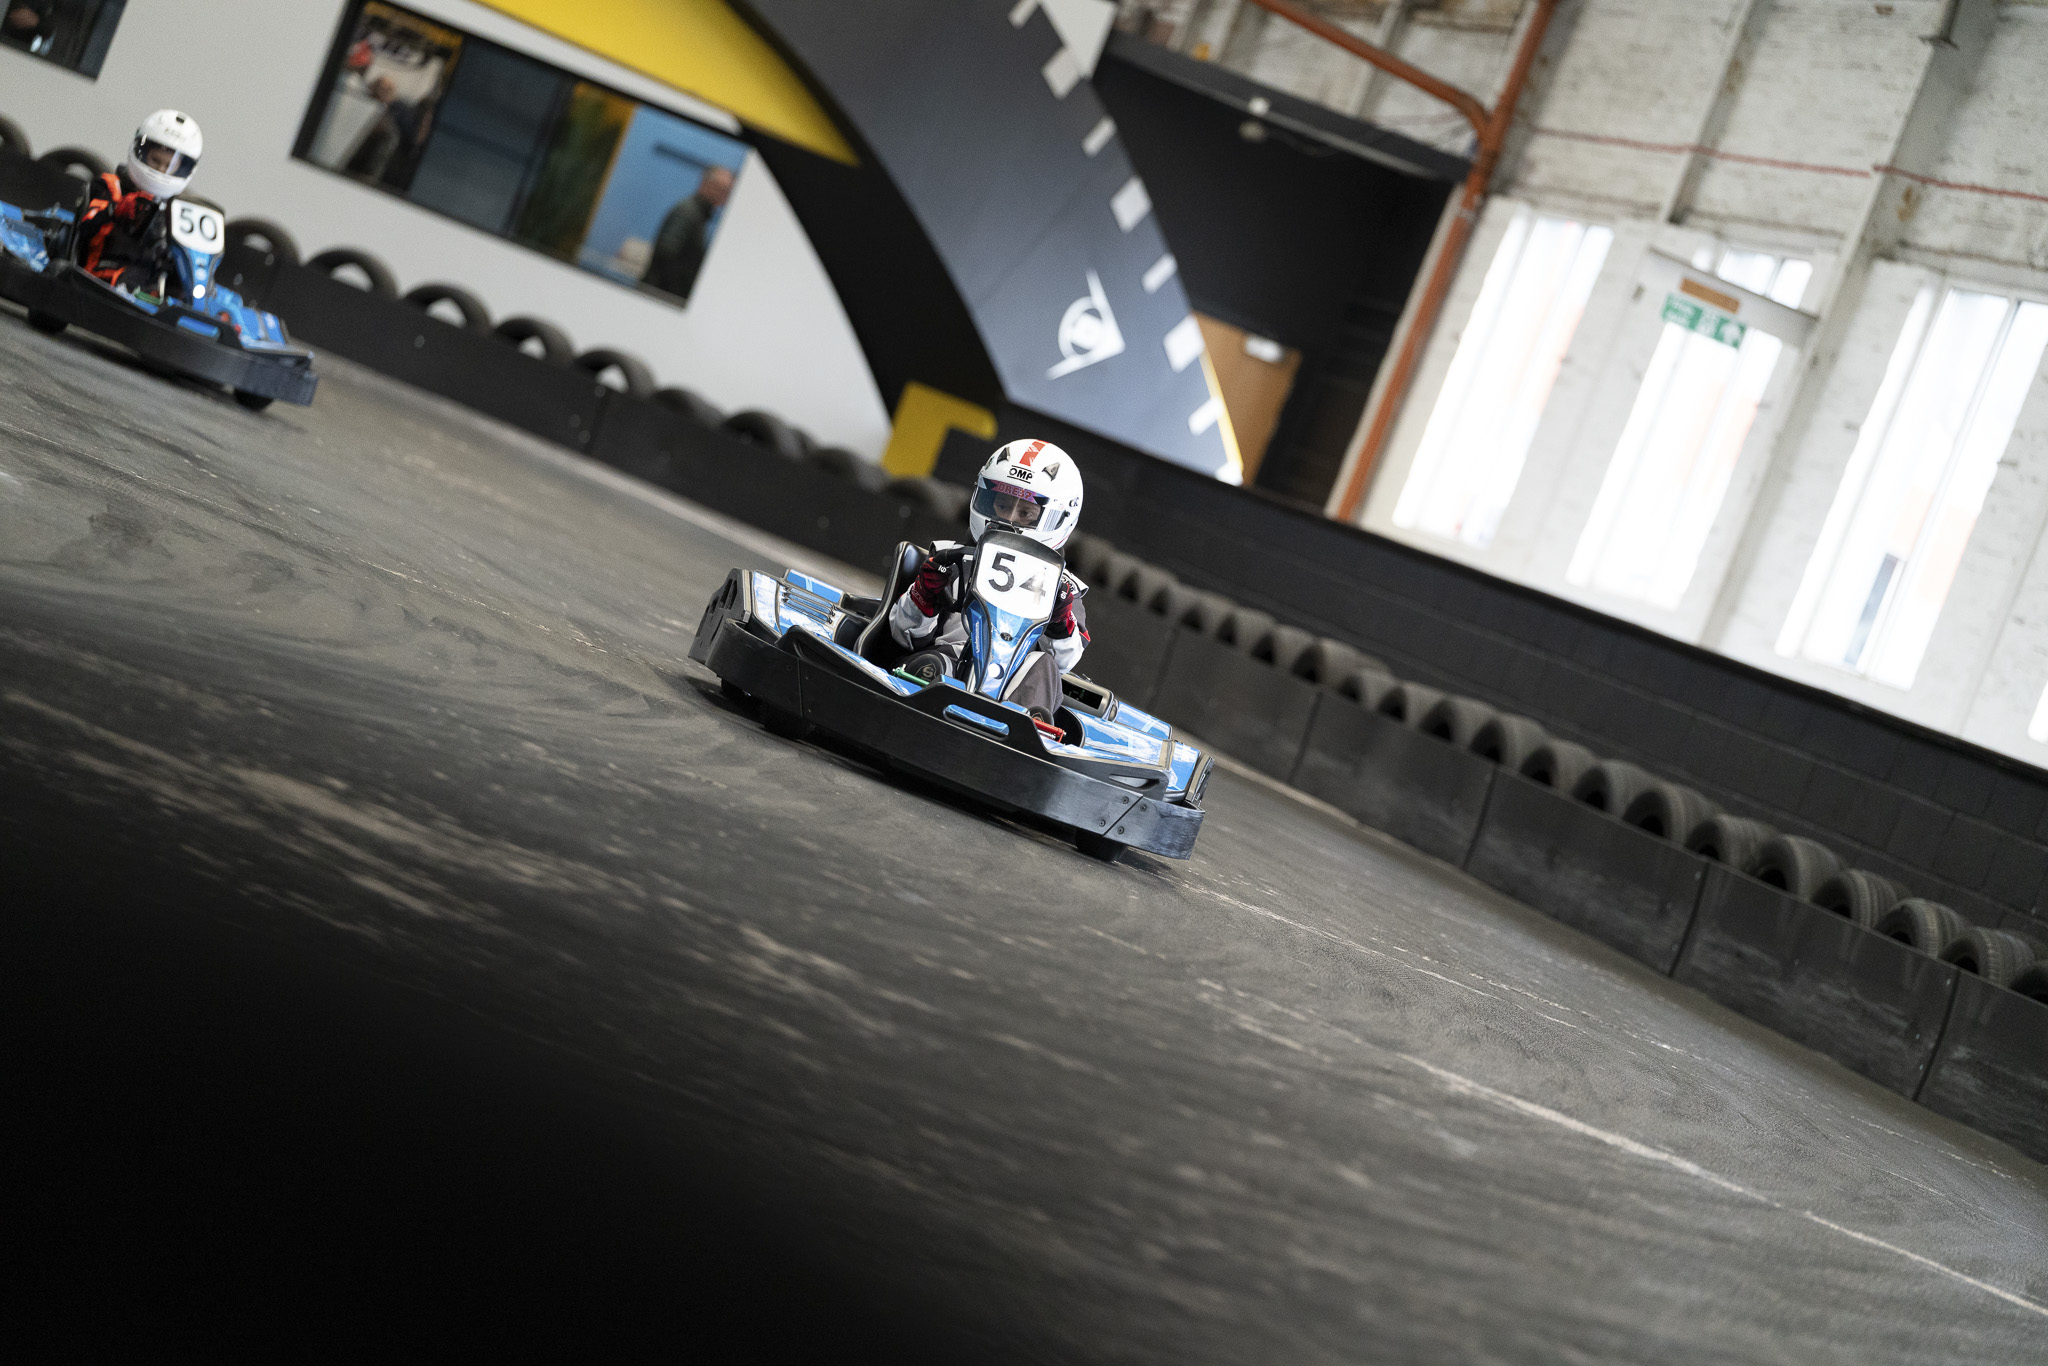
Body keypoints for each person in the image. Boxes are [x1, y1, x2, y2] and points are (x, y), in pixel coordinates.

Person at [886, 440, 1089, 723]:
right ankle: (929, 688)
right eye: (1001, 505)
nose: (1007, 519)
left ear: (1060, 519)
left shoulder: (1063, 589)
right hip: (948, 667)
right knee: (934, 662)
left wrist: (1059, 621)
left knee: (1043, 666)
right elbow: (903, 635)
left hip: (1013, 690)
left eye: (1026, 513)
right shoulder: (946, 558)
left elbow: (1064, 661)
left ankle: (1027, 723)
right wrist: (924, 596)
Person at [75, 109, 203, 293]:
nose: (160, 170)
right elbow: (87, 226)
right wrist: (118, 210)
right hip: (100, 273)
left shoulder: (180, 211)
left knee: (187, 291)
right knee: (130, 281)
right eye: (156, 160)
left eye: (169, 166)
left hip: (153, 283)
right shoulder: (110, 187)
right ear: (141, 151)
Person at [640, 164, 734, 301]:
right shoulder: (687, 212)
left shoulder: (698, 215)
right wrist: (679, 293)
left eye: (727, 191)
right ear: (705, 184)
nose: (724, 196)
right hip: (660, 296)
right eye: (722, 189)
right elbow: (666, 253)